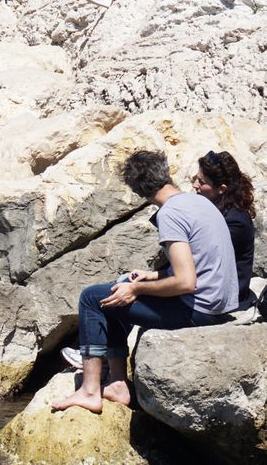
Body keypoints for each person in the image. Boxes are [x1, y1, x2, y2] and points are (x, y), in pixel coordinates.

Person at [52, 150, 238, 414]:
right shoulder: (199, 202)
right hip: (219, 306)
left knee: (92, 298)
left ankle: (90, 390)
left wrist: (137, 288)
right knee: (119, 288)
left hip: (198, 311)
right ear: (166, 173)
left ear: (139, 192)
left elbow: (185, 282)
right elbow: (199, 267)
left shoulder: (169, 214)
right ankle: (117, 383)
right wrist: (151, 277)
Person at [194, 151, 257, 306]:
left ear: (221, 189)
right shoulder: (215, 207)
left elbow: (203, 257)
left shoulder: (235, 222)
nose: (195, 185)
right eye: (196, 178)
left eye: (202, 182)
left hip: (225, 300)